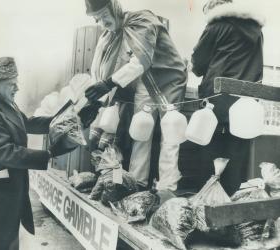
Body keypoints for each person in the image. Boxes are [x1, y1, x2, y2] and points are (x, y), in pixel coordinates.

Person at [0, 57, 77, 250]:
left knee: (6, 240)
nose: (17, 88)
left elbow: (28, 123)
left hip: (6, 188)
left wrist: (65, 120)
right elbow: (7, 153)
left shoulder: (5, 103)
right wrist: (48, 154)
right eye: (11, 84)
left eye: (17, 82)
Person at [82, 0, 188, 193]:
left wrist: (107, 84)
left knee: (169, 134)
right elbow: (105, 67)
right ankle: (137, 183)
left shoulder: (142, 20)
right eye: (97, 19)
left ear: (114, 8)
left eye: (104, 16)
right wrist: (97, 97)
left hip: (167, 79)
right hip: (144, 83)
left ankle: (167, 188)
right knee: (141, 130)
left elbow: (140, 61)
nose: (102, 23)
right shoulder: (111, 35)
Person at [191, 0, 264, 195]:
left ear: (213, 9)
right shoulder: (256, 29)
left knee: (208, 150)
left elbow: (198, 64)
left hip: (216, 101)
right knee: (236, 154)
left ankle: (204, 205)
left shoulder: (216, 26)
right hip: (246, 103)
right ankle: (229, 207)